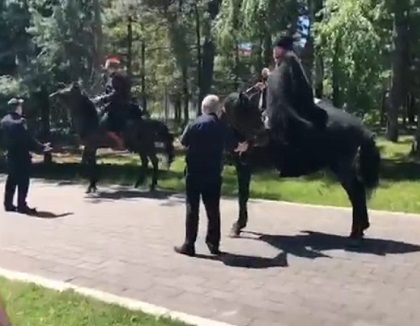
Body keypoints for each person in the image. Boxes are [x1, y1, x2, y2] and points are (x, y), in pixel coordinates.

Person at [174, 94, 248, 257]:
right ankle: (213, 243)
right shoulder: (222, 127)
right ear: (217, 110)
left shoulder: (194, 123)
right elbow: (235, 147)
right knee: (213, 210)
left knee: (192, 209)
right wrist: (244, 146)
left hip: (194, 172)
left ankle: (189, 244)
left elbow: (183, 142)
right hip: (213, 173)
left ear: (203, 108)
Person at [265, 35, 327, 144]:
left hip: (292, 113)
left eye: (277, 47)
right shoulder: (288, 64)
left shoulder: (288, 66)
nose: (274, 51)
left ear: (282, 49)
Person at [0, 98, 52, 214]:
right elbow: (28, 139)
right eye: (20, 106)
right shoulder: (20, 122)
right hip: (21, 155)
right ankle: (21, 205)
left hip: (10, 155)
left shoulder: (3, 121)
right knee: (23, 181)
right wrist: (42, 147)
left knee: (11, 179)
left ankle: (8, 205)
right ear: (17, 108)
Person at [94, 56, 131, 150]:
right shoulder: (112, 78)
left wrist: (101, 99)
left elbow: (115, 93)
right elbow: (107, 92)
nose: (107, 70)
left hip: (119, 106)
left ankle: (119, 142)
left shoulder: (117, 78)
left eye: (108, 68)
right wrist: (99, 98)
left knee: (104, 123)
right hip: (113, 104)